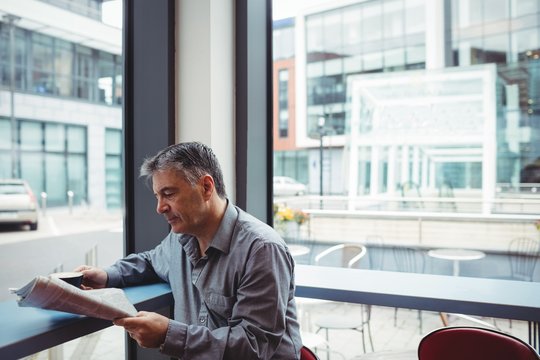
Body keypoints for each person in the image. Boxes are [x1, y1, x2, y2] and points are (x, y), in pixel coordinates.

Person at [75, 142, 302, 359]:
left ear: (206, 187)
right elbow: (151, 262)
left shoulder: (261, 250)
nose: (160, 207)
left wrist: (169, 335)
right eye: (158, 196)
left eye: (169, 194)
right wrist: (107, 275)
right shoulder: (180, 239)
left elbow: (253, 346)